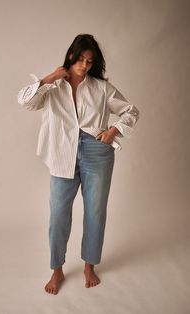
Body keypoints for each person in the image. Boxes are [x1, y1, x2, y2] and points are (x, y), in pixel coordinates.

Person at [17, 34, 139, 295]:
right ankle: (57, 269)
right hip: (63, 152)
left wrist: (114, 129)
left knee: (95, 211)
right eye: (81, 59)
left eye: (89, 61)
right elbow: (25, 102)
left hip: (97, 150)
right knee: (58, 214)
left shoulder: (101, 88)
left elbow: (131, 110)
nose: (84, 65)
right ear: (71, 56)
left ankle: (89, 265)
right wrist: (50, 77)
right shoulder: (52, 87)